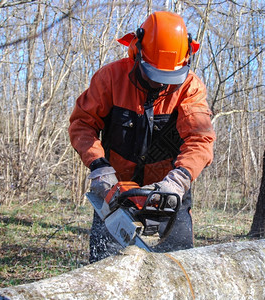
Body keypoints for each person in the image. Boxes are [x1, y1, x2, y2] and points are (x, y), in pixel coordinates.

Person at [68, 11, 215, 263]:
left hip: (167, 189)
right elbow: (83, 123)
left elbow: (199, 138)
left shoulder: (190, 87)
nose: (160, 84)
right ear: (137, 52)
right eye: (153, 73)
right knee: (106, 264)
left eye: (168, 77)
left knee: (177, 264)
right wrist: (98, 167)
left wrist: (179, 181)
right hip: (117, 186)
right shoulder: (111, 78)